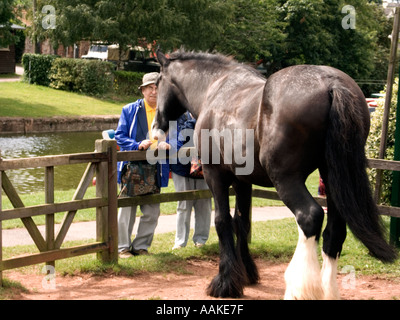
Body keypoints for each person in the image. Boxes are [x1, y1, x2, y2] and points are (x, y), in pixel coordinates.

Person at [115, 72, 169, 258]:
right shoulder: (129, 110)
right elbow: (119, 136)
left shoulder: (166, 111)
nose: (154, 91)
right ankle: (122, 248)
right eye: (149, 88)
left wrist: (169, 143)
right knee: (126, 210)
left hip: (156, 167)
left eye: (157, 88)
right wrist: (136, 145)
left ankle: (141, 246)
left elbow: (179, 133)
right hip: (132, 168)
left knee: (152, 211)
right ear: (143, 90)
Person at [169, 112, 212, 249]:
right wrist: (193, 121)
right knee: (183, 205)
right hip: (181, 168)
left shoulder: (207, 113)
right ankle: (180, 242)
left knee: (204, 205)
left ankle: (201, 240)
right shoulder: (176, 116)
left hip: (204, 166)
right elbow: (178, 140)